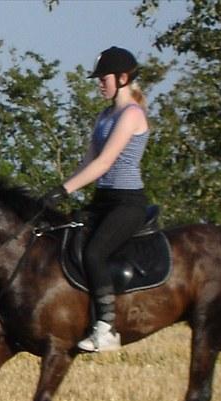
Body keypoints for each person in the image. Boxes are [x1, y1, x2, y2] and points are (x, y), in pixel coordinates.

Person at [43, 46, 150, 352]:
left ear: (123, 78)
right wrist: (61, 187)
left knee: (94, 253)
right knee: (65, 239)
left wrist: (64, 191)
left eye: (104, 78)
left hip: (127, 203)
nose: (100, 84)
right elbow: (88, 160)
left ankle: (106, 328)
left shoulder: (132, 114)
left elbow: (104, 162)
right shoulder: (105, 115)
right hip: (103, 199)